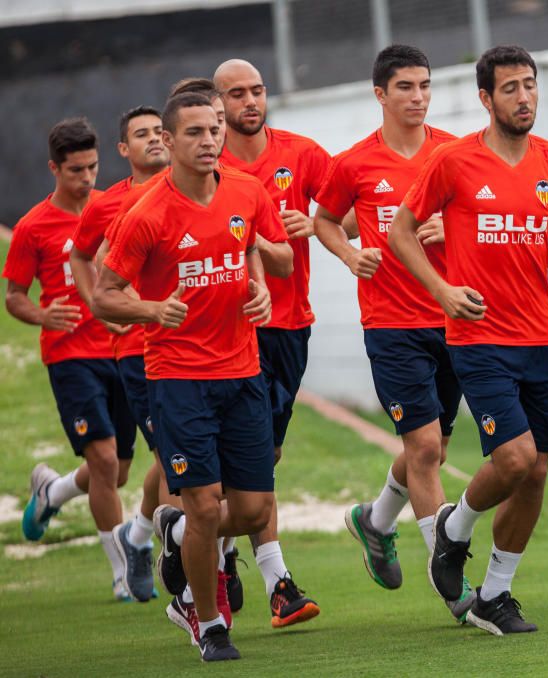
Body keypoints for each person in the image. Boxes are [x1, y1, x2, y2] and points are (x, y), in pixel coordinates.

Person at [389, 45, 548, 635]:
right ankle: (454, 528)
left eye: (531, 86)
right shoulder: (453, 161)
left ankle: (496, 593)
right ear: (487, 99)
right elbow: (400, 232)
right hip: (479, 335)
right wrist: (442, 290)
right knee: (512, 459)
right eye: (512, 88)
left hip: (544, 337)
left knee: (537, 471)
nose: (525, 97)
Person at [93, 91, 293, 661]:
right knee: (204, 503)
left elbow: (269, 252)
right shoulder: (146, 215)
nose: (209, 141)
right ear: (170, 142)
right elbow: (106, 297)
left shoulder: (248, 191)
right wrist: (152, 310)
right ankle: (206, 621)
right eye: (196, 133)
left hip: (243, 372)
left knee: (252, 510)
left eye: (215, 130)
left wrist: (257, 287)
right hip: (178, 379)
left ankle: (179, 536)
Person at [312, 44, 472, 622]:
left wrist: (446, 225)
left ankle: (375, 521)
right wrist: (349, 253)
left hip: (451, 316)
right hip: (391, 324)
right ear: (380, 94)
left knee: (432, 448)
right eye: (405, 87)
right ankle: (450, 578)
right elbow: (324, 219)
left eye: (425, 86)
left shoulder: (455, 154)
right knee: (425, 448)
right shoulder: (355, 163)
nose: (418, 97)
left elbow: (479, 216)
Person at [4, 118, 138, 601]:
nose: (86, 178)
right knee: (102, 459)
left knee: (117, 472)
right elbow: (14, 296)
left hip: (120, 349)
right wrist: (43, 315)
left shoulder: (113, 207)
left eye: (93, 167)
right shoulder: (32, 227)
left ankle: (53, 492)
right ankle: (124, 572)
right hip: (69, 355)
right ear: (54, 169)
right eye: (76, 170)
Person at [214, 58, 323, 629]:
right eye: (237, 94)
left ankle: (209, 544)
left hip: (291, 325)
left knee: (267, 455)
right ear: (218, 104)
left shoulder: (302, 153)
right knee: (251, 459)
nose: (250, 101)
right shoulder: (209, 165)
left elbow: (344, 214)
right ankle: (278, 583)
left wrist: (321, 226)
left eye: (257, 90)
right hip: (231, 334)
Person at [69, 105, 172, 603]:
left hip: (205, 347)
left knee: (179, 459)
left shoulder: (200, 188)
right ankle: (198, 586)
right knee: (175, 460)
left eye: (159, 131)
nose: (153, 139)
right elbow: (81, 256)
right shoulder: (108, 204)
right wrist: (99, 307)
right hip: (139, 350)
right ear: (123, 149)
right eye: (141, 134)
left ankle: (137, 535)